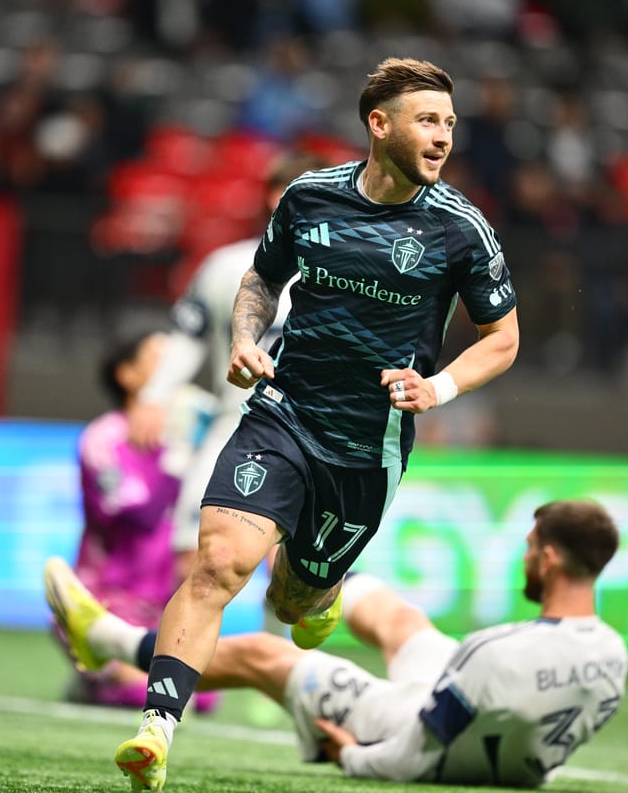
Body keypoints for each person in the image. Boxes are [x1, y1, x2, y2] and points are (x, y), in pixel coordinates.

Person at [107, 57, 521, 791]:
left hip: (368, 447)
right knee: (217, 563)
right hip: (283, 412)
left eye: (450, 125)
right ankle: (157, 728)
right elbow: (261, 281)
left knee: (294, 599)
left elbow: (504, 336)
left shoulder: (461, 228)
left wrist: (440, 385)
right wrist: (243, 338)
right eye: (428, 120)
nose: (443, 137)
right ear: (379, 124)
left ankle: (318, 590)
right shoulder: (308, 198)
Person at [44, 498, 627, 788]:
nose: (524, 556)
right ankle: (321, 592)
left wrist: (348, 755)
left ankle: (106, 640)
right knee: (397, 618)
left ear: (548, 559)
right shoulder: (612, 657)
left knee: (264, 655)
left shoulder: (496, 652)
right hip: (495, 735)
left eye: (530, 548)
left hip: (405, 727)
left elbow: (413, 754)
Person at [125, 152, 329, 585]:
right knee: (192, 554)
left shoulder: (348, 276)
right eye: (282, 202)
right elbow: (188, 335)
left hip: (312, 437)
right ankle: (185, 653)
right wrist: (153, 397)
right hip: (233, 425)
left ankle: (278, 653)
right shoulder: (227, 266)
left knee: (292, 577)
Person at [51, 330, 218, 712]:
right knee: (147, 694)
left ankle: (100, 680)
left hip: (160, 613)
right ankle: (98, 674)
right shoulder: (104, 440)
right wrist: (178, 454)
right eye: (159, 359)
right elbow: (140, 516)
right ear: (127, 375)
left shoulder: (191, 440)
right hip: (103, 607)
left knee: (206, 697)